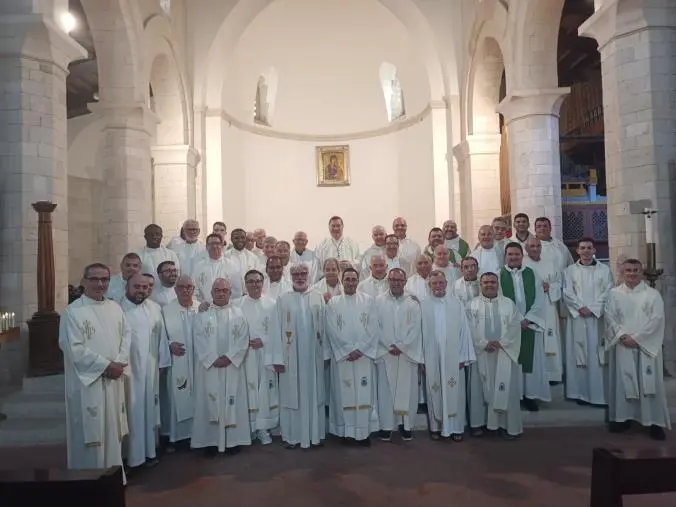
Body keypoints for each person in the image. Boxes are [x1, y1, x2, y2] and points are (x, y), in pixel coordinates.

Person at [59, 263, 130, 482]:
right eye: (95, 279)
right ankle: (88, 481)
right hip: (87, 384)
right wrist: (106, 366)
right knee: (91, 433)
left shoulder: (115, 308)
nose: (100, 284)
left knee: (111, 431)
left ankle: (114, 479)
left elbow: (126, 337)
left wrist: (119, 363)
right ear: (84, 281)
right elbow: (73, 347)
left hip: (113, 380)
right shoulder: (73, 312)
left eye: (105, 279)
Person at [604, 259, 670, 440]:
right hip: (622, 344)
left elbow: (657, 320)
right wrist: (623, 336)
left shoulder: (652, 294)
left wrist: (638, 339)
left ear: (641, 272)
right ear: (621, 272)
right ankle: (622, 419)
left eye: (635, 270)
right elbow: (609, 318)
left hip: (645, 347)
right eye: (628, 270)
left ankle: (654, 422)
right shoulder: (613, 294)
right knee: (624, 383)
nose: (632, 273)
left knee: (649, 384)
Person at [191, 278, 252, 455]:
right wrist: (212, 359)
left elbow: (243, 339)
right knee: (208, 401)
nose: (220, 293)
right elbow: (198, 338)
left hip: (231, 366)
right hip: (210, 368)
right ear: (211, 293)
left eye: (224, 290)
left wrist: (230, 358)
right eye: (217, 290)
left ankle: (233, 441)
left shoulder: (238, 314)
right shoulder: (202, 315)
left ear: (230, 293)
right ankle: (210, 442)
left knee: (232, 400)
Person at [120, 273, 171, 469]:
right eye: (137, 287)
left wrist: (163, 363)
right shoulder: (119, 310)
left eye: (145, 287)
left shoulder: (154, 308)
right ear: (127, 287)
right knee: (132, 414)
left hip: (150, 371)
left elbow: (162, 339)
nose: (142, 291)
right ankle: (131, 458)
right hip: (129, 372)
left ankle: (149, 452)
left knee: (149, 412)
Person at [276, 264, 329, 449]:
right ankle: (293, 437)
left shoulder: (317, 297)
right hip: (291, 360)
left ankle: (315, 435)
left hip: (313, 358)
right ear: (290, 276)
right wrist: (277, 358)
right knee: (292, 396)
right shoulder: (283, 299)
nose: (300, 277)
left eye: (303, 273)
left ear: (309, 274)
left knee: (315, 394)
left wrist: (326, 354)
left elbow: (325, 328)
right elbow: (276, 330)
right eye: (296, 274)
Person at [325, 268, 379, 445]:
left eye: (353, 279)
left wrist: (361, 349)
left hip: (363, 356)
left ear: (358, 281)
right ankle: (346, 433)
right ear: (342, 281)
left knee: (364, 393)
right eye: (347, 279)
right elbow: (331, 328)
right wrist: (347, 349)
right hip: (343, 358)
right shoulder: (334, 303)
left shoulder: (368, 301)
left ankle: (363, 433)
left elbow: (373, 328)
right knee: (343, 393)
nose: (350, 282)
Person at [467, 273, 523, 440]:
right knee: (478, 389)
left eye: (492, 282)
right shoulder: (471, 305)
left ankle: (506, 425)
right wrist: (484, 343)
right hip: (481, 353)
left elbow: (515, 326)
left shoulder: (508, 304)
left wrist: (501, 342)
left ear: (498, 284)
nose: (489, 285)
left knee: (506, 389)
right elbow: (469, 328)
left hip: (504, 353)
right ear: (480, 284)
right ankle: (478, 424)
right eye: (486, 282)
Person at [421, 271, 475, 441]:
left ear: (446, 284)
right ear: (429, 285)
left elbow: (464, 331)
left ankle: (457, 428)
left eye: (441, 283)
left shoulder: (456, 304)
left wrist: (462, 356)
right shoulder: (423, 305)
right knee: (434, 389)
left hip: (453, 357)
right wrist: (422, 359)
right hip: (432, 356)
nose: (438, 286)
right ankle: (436, 427)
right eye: (434, 283)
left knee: (455, 392)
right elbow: (419, 334)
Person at [235, 270, 284, 445]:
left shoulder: (272, 304)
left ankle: (264, 427)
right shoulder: (237, 305)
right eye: (250, 281)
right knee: (249, 391)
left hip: (265, 354)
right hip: (246, 355)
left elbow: (278, 330)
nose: (254, 285)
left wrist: (263, 340)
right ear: (245, 284)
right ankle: (249, 428)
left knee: (265, 391)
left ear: (263, 283)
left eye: (258, 281)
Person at [563, 237, 613, 406]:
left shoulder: (604, 270)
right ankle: (580, 393)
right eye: (582, 248)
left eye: (589, 248)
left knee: (596, 356)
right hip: (577, 319)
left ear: (594, 250)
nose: (585, 251)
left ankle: (598, 395)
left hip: (596, 319)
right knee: (578, 355)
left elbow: (608, 292)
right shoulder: (569, 271)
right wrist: (579, 307)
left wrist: (592, 308)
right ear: (577, 250)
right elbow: (567, 293)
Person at [374, 268, 423, 442]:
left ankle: (406, 425)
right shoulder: (378, 301)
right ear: (388, 280)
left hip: (406, 353)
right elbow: (375, 326)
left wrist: (401, 346)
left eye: (399, 280)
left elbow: (416, 328)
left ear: (405, 282)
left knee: (407, 390)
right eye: (393, 279)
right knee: (385, 391)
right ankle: (386, 426)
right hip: (386, 353)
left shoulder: (412, 302)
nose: (396, 283)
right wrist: (389, 345)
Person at [499, 242, 548, 411]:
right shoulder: (499, 275)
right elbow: (499, 302)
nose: (513, 257)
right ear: (505, 256)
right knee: (512, 361)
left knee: (530, 361)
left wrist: (528, 319)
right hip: (510, 327)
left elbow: (540, 299)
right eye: (510, 254)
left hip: (529, 326)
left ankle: (530, 396)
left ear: (522, 256)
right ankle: (515, 395)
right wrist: (516, 320)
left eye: (516, 254)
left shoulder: (532, 274)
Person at [161, 275, 200, 450]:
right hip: (178, 361)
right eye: (181, 287)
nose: (185, 290)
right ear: (175, 289)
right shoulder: (166, 310)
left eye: (189, 287)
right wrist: (169, 345)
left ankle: (199, 434)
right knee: (179, 396)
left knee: (200, 397)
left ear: (194, 289)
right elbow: (159, 337)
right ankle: (180, 436)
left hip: (199, 362)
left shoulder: (202, 308)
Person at [523, 237, 564, 383]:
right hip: (533, 305)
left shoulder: (550, 262)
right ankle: (537, 373)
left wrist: (550, 287)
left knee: (550, 336)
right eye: (532, 246)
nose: (535, 248)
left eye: (538, 245)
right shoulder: (522, 263)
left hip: (548, 303)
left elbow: (559, 283)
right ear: (526, 248)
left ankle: (552, 374)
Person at [193, 233, 243, 302]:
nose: (214, 246)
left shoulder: (231, 265)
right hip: (205, 308)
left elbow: (237, 291)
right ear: (206, 246)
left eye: (217, 243)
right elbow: (194, 289)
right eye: (211, 244)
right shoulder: (199, 266)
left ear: (222, 246)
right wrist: (201, 304)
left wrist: (226, 303)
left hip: (226, 307)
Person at [137, 224, 180, 295]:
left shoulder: (171, 254)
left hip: (169, 293)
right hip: (147, 294)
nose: (154, 237)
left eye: (157, 234)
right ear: (145, 237)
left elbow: (177, 274)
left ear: (161, 236)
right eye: (151, 234)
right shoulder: (138, 255)